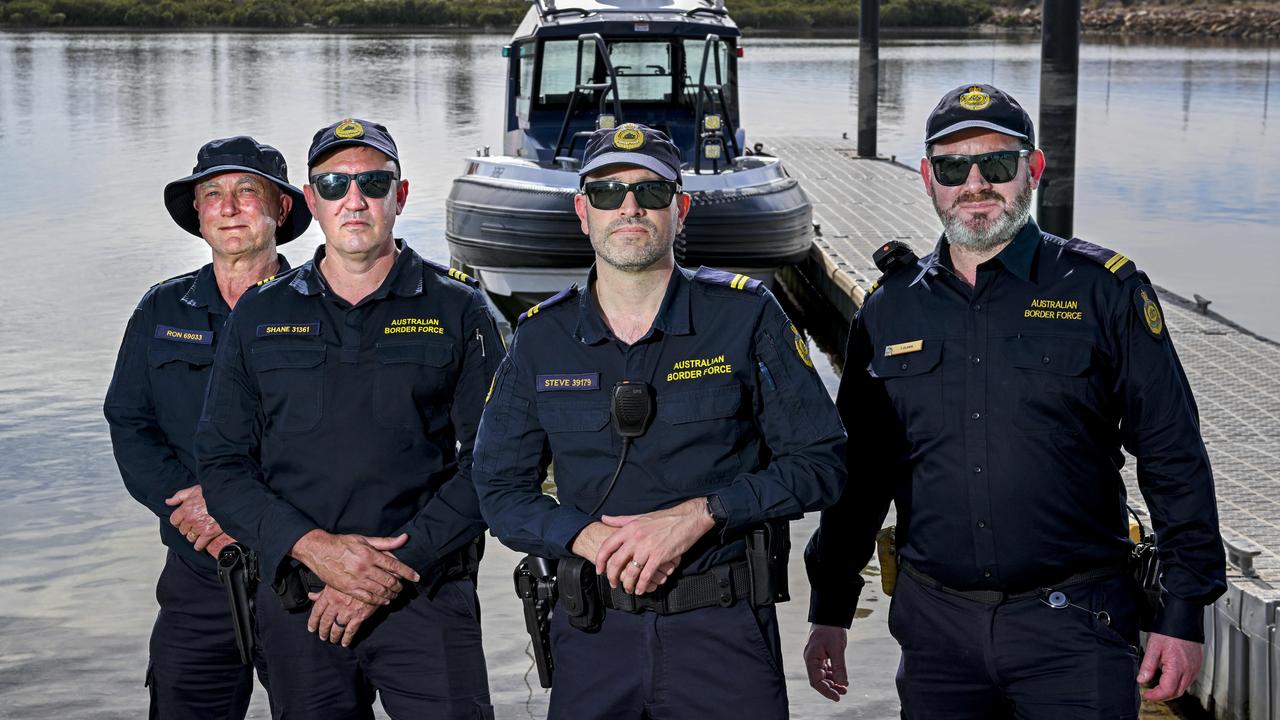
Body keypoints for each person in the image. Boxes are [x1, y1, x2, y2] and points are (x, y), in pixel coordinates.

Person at [803, 83, 1227, 717]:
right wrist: (831, 610)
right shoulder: (890, 308)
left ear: (1033, 169)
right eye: (953, 166)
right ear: (927, 178)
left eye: (997, 163)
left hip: (1075, 628)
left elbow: (1172, 455)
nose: (975, 183)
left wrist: (1183, 611)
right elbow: (860, 477)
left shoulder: (1102, 291)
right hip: (936, 634)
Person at [473, 123, 847, 720]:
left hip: (724, 632)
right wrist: (587, 538)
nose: (629, 208)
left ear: (682, 208)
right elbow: (498, 490)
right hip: (592, 634)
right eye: (606, 193)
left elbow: (822, 465)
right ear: (582, 211)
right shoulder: (542, 337)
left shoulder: (747, 317)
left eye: (650, 193)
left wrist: (702, 514)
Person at [195, 118, 503, 719]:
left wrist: (393, 567)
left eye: (372, 183)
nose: (353, 200)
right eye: (333, 185)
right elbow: (224, 465)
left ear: (401, 195)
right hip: (300, 599)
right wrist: (314, 550)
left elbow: (493, 463)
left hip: (427, 596)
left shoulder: (459, 308)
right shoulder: (260, 314)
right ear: (311, 201)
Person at [104, 135, 310, 718]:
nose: (229, 207)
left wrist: (254, 512)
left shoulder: (322, 309)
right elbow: (129, 421)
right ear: (197, 211)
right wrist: (188, 506)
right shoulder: (161, 310)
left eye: (248, 191)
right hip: (198, 569)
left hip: (299, 571)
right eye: (213, 193)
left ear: (282, 208)